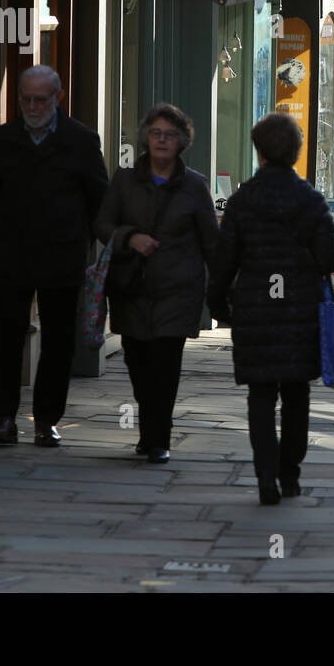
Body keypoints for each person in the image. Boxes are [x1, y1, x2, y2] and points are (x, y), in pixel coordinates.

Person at [208, 114, 334, 505]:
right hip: (298, 312)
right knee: (297, 394)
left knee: (261, 396)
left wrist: (219, 305)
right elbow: (330, 257)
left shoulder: (242, 200)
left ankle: (266, 475)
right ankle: (291, 474)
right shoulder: (311, 201)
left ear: (260, 153)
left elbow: (223, 263)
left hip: (255, 311)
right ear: (297, 153)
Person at [0, 65, 109, 446]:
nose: (32, 106)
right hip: (14, 254)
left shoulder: (82, 141)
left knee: (57, 340)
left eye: (41, 99)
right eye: (26, 99)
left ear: (58, 97)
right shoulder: (2, 140)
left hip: (62, 256)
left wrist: (78, 238)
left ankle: (46, 420)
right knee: (7, 336)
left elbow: (98, 200)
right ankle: (3, 418)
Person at [93, 104, 218, 464]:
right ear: (146, 138)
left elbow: (211, 242)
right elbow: (101, 224)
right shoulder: (124, 179)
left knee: (165, 367)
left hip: (178, 291)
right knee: (138, 365)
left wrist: (221, 289)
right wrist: (129, 238)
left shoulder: (195, 186)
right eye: (156, 133)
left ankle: (158, 439)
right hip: (131, 289)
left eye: (170, 135)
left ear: (182, 141)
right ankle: (149, 432)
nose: (163, 140)